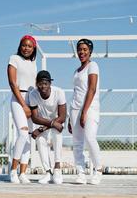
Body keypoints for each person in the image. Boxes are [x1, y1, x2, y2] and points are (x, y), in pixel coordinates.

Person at [68, 38, 102, 185]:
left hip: (90, 108)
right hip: (75, 108)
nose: (81, 52)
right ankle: (81, 172)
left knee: (90, 138)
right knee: (77, 143)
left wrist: (84, 111)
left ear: (90, 51)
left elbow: (92, 89)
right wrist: (71, 116)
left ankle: (98, 169)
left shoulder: (93, 65)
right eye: (79, 49)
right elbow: (76, 92)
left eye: (84, 50)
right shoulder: (76, 71)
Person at [7, 35, 37, 184]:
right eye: (24, 45)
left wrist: (33, 105)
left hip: (32, 100)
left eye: (30, 46)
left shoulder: (33, 63)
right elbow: (13, 83)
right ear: (20, 46)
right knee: (23, 134)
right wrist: (24, 105)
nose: (26, 48)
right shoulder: (14, 59)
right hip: (19, 100)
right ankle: (13, 171)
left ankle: (23, 173)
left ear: (34, 48)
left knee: (29, 138)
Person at [29, 70, 66, 184]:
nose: (43, 86)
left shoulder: (59, 92)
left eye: (46, 83)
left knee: (57, 134)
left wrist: (43, 128)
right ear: (36, 84)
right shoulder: (33, 94)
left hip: (56, 122)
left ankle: (57, 168)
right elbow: (35, 118)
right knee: (40, 140)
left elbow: (62, 116)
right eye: (40, 83)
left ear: (50, 83)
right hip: (44, 122)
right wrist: (47, 125)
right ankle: (48, 172)